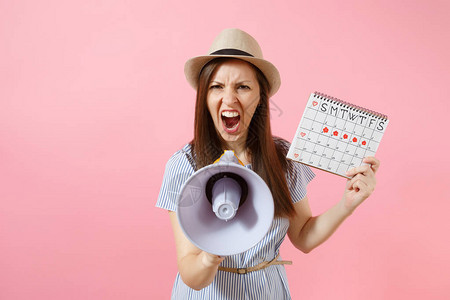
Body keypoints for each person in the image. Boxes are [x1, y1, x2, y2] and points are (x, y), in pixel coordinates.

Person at [156, 28, 380, 299]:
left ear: (260, 97)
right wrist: (211, 251)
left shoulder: (283, 159)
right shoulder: (183, 165)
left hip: (266, 291)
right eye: (216, 86)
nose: (229, 99)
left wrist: (347, 204)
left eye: (243, 87)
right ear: (204, 97)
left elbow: (304, 236)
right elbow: (192, 275)